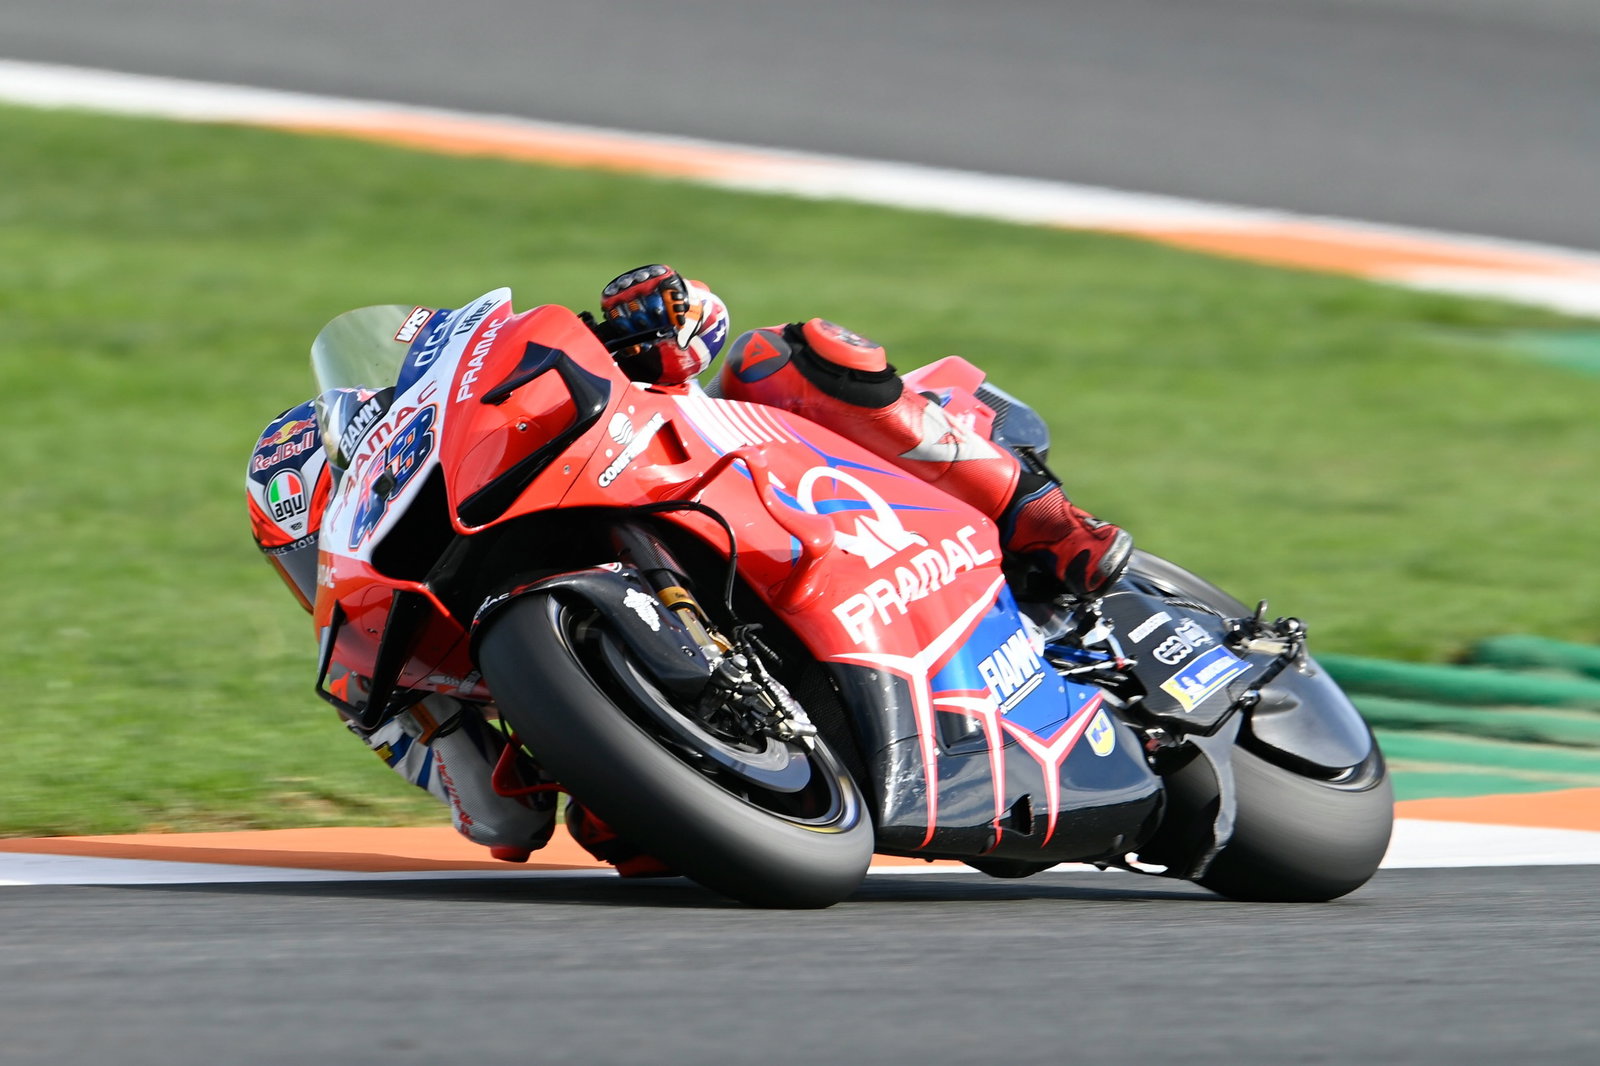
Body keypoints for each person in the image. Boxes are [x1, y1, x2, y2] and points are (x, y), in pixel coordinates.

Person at [245, 265, 1132, 869]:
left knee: (784, 356)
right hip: (718, 786)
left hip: (775, 495)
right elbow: (503, 822)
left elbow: (696, 328)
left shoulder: (521, 427)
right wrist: (459, 729)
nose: (316, 571)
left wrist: (655, 316)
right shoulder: (379, 692)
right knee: (617, 838)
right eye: (302, 555)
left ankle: (1050, 522)